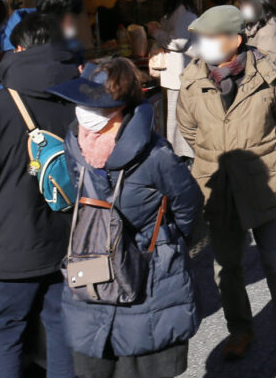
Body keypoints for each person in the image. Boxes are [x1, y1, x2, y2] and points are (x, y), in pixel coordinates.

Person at [49, 60, 202, 378]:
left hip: (145, 276)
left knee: (141, 363)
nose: (84, 111)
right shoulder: (75, 144)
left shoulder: (155, 155)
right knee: (98, 364)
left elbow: (188, 204)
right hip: (93, 271)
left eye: (96, 104)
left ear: (121, 107)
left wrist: (166, 243)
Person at [176, 6, 276, 372]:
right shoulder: (192, 80)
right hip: (217, 184)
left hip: (264, 179)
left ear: (236, 40)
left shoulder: (269, 75)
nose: (204, 45)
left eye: (211, 37)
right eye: (201, 38)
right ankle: (240, 329)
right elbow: (189, 130)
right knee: (226, 266)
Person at [0, 13, 79, 378]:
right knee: (61, 329)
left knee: (3, 336)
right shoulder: (77, 98)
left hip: (7, 248)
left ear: (17, 49)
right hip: (66, 237)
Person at [148, 0, 199, 159]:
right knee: (175, 119)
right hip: (174, 74)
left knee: (180, 119)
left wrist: (156, 32)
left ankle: (184, 156)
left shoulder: (184, 12)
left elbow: (178, 42)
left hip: (181, 74)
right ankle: (179, 154)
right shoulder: (176, 10)